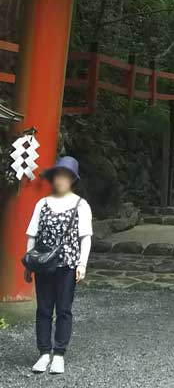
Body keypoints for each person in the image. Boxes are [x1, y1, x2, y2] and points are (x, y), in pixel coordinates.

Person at [25, 156, 93, 375]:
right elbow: (32, 235)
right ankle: (44, 352)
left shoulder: (81, 205)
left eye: (66, 175)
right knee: (43, 309)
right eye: (58, 175)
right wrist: (29, 263)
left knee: (64, 309)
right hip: (44, 264)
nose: (61, 179)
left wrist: (82, 264)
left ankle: (59, 354)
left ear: (72, 179)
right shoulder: (42, 204)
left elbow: (86, 237)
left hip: (67, 265)